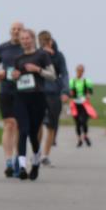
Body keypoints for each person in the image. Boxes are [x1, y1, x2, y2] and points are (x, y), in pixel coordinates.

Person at [9, 28, 57, 180]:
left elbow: (52, 76)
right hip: (21, 98)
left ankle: (35, 162)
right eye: (22, 39)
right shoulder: (18, 58)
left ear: (33, 39)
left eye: (27, 38)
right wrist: (14, 76)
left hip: (37, 98)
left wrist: (38, 69)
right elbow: (15, 77)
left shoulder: (42, 55)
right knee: (22, 131)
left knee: (32, 134)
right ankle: (22, 167)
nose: (25, 41)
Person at [0, 22, 24, 177]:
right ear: (10, 31)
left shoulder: (26, 47)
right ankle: (8, 161)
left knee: (19, 125)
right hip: (6, 89)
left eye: (19, 29)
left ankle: (19, 159)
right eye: (13, 29)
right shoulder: (3, 48)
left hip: (23, 91)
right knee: (9, 124)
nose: (16, 31)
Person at [38, 32, 69, 167]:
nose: (45, 43)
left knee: (51, 125)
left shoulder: (58, 56)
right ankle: (36, 152)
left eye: (47, 40)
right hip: (38, 92)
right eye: (42, 41)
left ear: (51, 41)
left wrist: (65, 91)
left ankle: (45, 155)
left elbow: (65, 73)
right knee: (38, 124)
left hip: (54, 93)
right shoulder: (36, 54)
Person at [69, 64, 95, 147]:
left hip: (84, 103)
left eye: (81, 70)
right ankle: (79, 139)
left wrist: (88, 94)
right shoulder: (72, 81)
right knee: (77, 122)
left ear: (83, 71)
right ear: (76, 71)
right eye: (78, 70)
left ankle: (85, 136)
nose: (80, 72)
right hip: (75, 103)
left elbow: (90, 91)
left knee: (83, 121)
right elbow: (70, 92)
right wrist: (70, 94)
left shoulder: (86, 81)